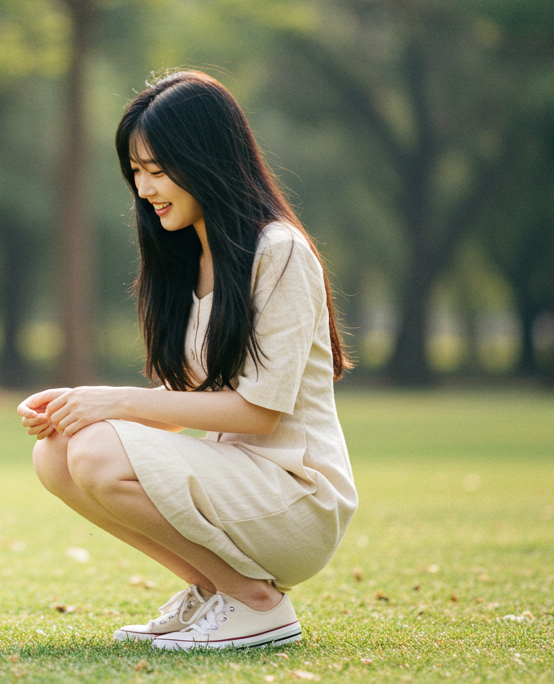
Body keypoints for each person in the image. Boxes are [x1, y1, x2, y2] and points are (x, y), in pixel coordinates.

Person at [18, 71, 356, 651]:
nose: (144, 189)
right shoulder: (186, 260)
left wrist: (113, 402)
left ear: (205, 158)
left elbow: (259, 416)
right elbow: (181, 415)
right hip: (237, 485)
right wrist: (74, 412)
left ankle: (256, 604)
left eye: (157, 169)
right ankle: (214, 592)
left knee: (97, 451)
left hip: (296, 495)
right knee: (55, 454)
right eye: (135, 173)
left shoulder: (278, 252)